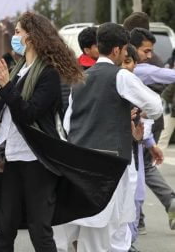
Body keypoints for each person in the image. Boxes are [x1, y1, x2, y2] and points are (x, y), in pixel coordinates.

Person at [0, 12, 130, 252]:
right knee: (4, 229)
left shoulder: (48, 73)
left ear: (32, 37)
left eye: (18, 32)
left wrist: (5, 86)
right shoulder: (20, 69)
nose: (14, 37)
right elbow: (3, 108)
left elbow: (27, 113)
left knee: (40, 230)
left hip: (38, 162)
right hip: (12, 159)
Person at [55, 22, 162, 252]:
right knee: (106, 233)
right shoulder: (121, 77)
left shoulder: (80, 78)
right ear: (116, 50)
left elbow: (67, 123)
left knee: (83, 229)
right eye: (125, 50)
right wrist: (135, 112)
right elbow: (155, 106)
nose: (125, 54)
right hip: (110, 165)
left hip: (79, 164)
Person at [128, 27, 175, 231]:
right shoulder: (133, 69)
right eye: (145, 51)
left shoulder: (138, 67)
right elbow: (163, 75)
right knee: (139, 170)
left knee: (141, 169)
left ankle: (137, 220)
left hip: (143, 129)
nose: (150, 56)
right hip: (136, 131)